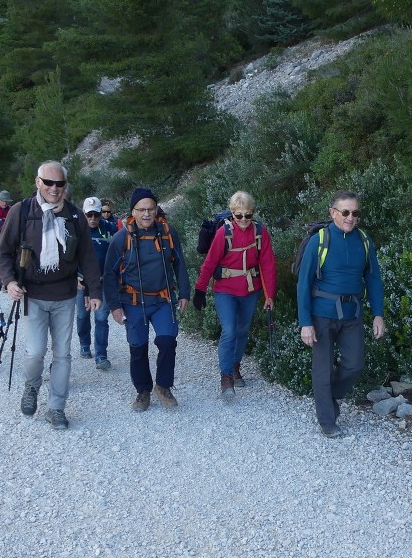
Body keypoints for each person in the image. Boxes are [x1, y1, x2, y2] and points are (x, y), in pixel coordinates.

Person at [0, 162, 102, 430]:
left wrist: (93, 291)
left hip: (65, 294)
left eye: (60, 184)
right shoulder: (21, 212)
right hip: (33, 294)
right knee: (35, 352)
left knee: (63, 355)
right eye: (49, 183)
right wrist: (9, 282)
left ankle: (56, 407)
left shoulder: (75, 216)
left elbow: (87, 258)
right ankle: (31, 387)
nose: (54, 189)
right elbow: (2, 253)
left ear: (66, 186)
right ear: (38, 182)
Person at [296, 190, 385, 437]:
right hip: (322, 314)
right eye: (345, 212)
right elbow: (303, 284)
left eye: (355, 213)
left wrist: (378, 314)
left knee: (354, 364)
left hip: (352, 313)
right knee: (322, 369)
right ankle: (327, 421)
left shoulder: (364, 241)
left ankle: (330, 395)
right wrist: (305, 322)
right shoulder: (320, 240)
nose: (350, 218)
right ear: (333, 212)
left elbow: (373, 279)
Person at [103, 187, 189, 411]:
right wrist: (114, 306)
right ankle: (143, 391)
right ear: (133, 211)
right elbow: (109, 275)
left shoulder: (168, 233)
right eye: (142, 210)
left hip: (163, 300)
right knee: (137, 347)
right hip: (133, 302)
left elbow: (179, 264)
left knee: (168, 342)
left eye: (151, 209)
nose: (147, 214)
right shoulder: (121, 238)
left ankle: (163, 386)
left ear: (157, 210)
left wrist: (185, 294)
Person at [193, 191, 276, 398]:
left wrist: (269, 295)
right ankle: (226, 376)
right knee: (229, 330)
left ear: (253, 213)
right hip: (225, 290)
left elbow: (267, 265)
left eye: (248, 215)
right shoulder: (224, 233)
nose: (244, 220)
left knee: (242, 330)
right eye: (239, 216)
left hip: (250, 290)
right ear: (232, 214)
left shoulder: (260, 232)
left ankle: (236, 366)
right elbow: (210, 262)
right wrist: (200, 289)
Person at [77, 196, 117, 370]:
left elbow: (118, 254)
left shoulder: (110, 230)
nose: (93, 219)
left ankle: (101, 355)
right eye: (89, 215)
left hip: (103, 282)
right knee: (82, 315)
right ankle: (84, 344)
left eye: (96, 215)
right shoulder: (77, 230)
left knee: (101, 318)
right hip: (81, 281)